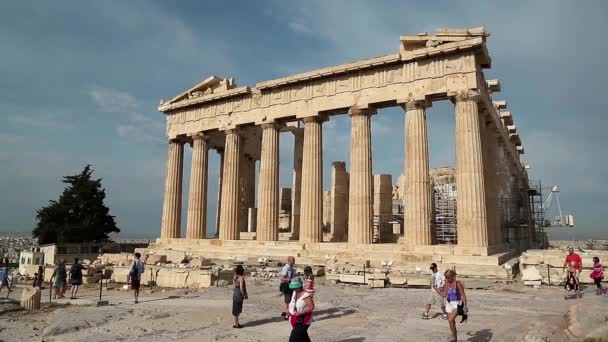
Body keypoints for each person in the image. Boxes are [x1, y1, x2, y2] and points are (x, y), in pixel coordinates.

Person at [442, 270, 468, 342]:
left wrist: (465, 306)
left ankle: (453, 336)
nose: (447, 279)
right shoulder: (446, 283)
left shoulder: (458, 283)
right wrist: (437, 289)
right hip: (449, 303)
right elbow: (444, 295)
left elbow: (463, 295)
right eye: (446, 277)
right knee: (451, 321)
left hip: (457, 303)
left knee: (450, 320)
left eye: (448, 277)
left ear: (452, 277)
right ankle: (455, 339)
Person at [288, 277, 315, 342]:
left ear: (299, 286)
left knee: (294, 339)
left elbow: (311, 307)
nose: (293, 289)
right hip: (295, 319)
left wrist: (302, 312)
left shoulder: (306, 295)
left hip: (303, 320)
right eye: (293, 288)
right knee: (303, 337)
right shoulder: (295, 292)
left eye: (295, 287)